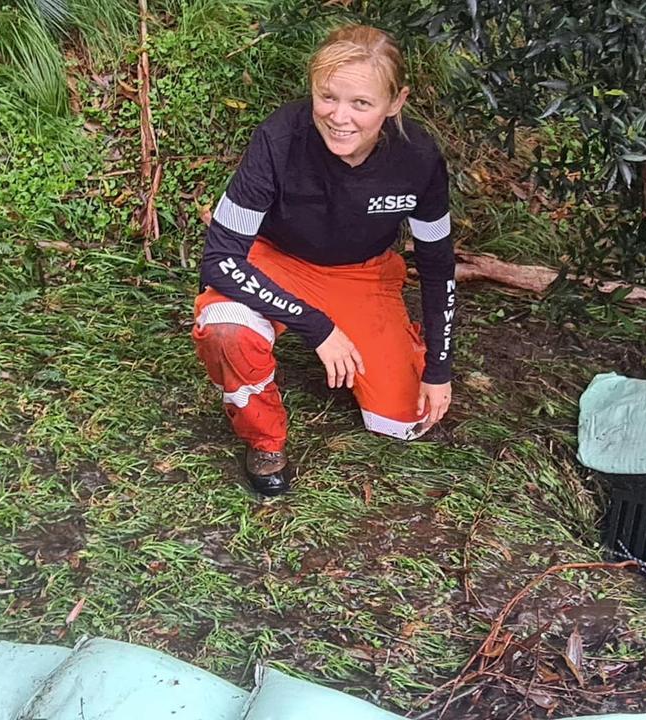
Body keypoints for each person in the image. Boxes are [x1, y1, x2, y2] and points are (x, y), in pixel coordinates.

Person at [192, 25, 456, 498]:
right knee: (227, 328)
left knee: (404, 419)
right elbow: (219, 259)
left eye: (361, 103)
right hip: (275, 259)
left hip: (362, 273)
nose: (340, 117)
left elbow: (437, 265)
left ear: (395, 103)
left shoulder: (419, 158)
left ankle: (392, 347)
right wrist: (318, 327)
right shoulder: (278, 137)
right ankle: (264, 437)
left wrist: (439, 369)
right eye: (327, 97)